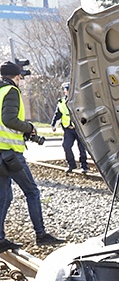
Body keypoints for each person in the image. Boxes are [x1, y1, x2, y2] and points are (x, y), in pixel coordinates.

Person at [0, 61, 64, 252]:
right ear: (17, 76)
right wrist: (30, 128)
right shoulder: (11, 91)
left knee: (5, 196)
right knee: (32, 192)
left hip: (0, 153)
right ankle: (41, 234)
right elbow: (8, 120)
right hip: (11, 154)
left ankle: (0, 238)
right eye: (20, 77)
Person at [51, 82, 89, 173]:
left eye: (68, 90)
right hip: (68, 128)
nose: (67, 91)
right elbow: (58, 114)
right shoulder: (61, 102)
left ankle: (84, 166)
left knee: (82, 148)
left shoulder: (79, 100)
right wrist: (54, 126)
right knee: (66, 146)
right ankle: (71, 165)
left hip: (79, 128)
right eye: (66, 90)